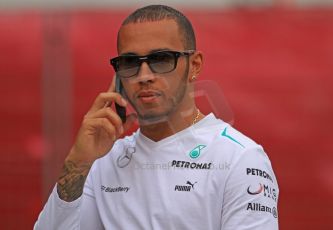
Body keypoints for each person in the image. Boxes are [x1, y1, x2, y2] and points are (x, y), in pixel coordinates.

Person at [35, 5, 279, 230]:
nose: (144, 75)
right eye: (130, 62)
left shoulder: (240, 158)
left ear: (194, 65)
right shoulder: (102, 161)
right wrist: (78, 161)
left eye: (161, 59)